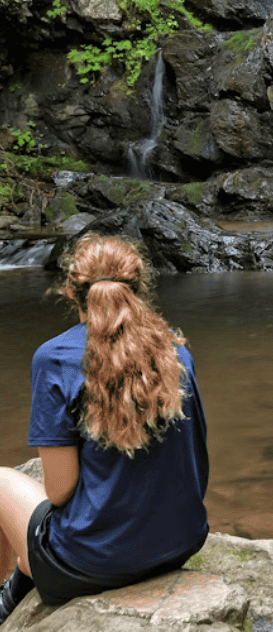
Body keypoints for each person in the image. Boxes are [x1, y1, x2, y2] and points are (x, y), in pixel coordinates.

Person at [0, 232, 209, 624]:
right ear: (139, 286)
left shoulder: (55, 358)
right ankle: (15, 592)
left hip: (93, 564)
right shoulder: (177, 351)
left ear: (69, 290)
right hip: (181, 542)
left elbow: (59, 491)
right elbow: (197, 464)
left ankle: (9, 598)